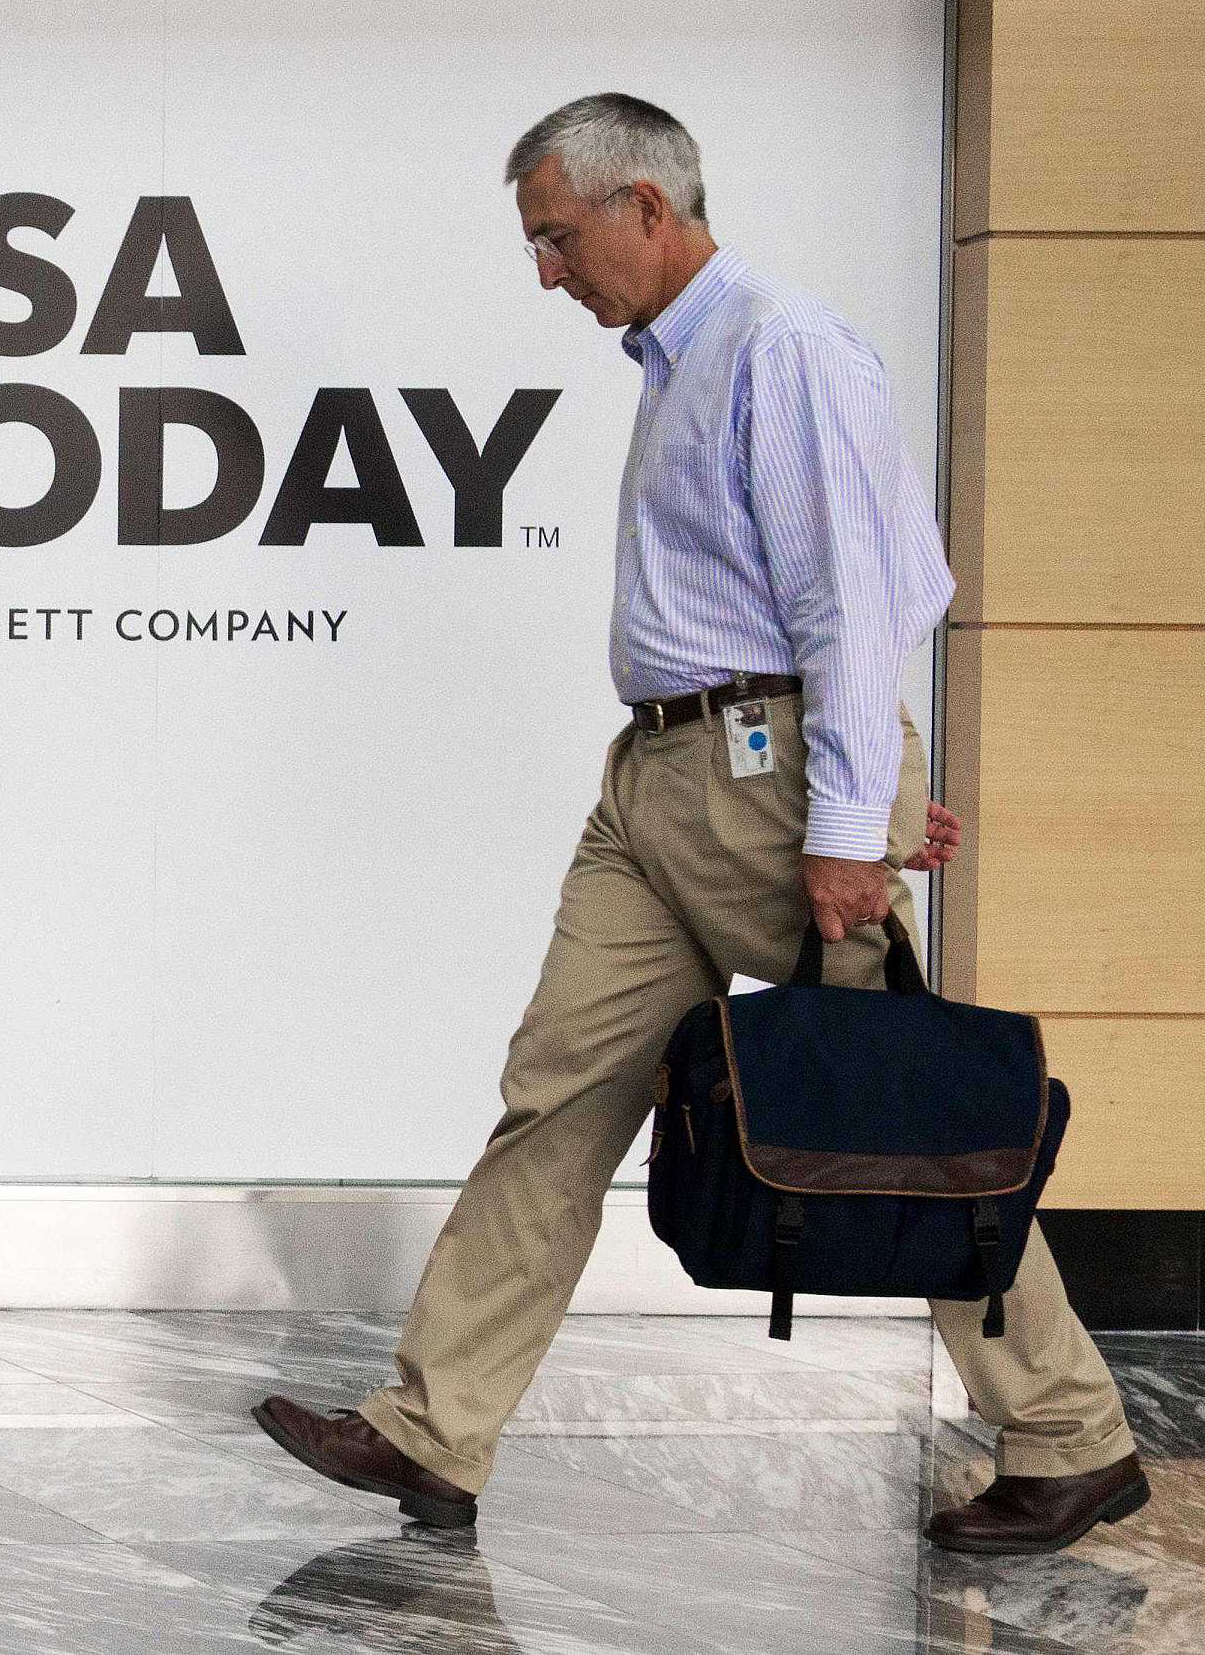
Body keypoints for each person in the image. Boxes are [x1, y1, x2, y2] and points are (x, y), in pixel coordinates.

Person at [253, 93, 1146, 1557]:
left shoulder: (781, 349)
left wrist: (847, 815)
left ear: (647, 207)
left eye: (558, 237)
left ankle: (1070, 1436)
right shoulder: (680, 360)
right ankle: (433, 1430)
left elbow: (853, 605)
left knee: (896, 1116)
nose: (547, 271)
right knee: (559, 1094)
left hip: (766, 777)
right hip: (664, 775)